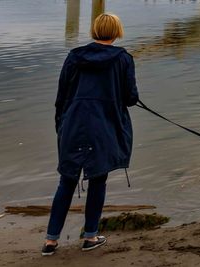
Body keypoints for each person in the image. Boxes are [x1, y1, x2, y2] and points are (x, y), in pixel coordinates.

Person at [42, 13, 139, 256]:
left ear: (95, 30)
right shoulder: (123, 59)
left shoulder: (74, 57)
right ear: (117, 31)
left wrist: (61, 126)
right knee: (98, 179)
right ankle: (90, 236)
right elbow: (130, 98)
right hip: (104, 125)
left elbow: (61, 95)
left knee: (66, 180)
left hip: (74, 123)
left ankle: (50, 241)